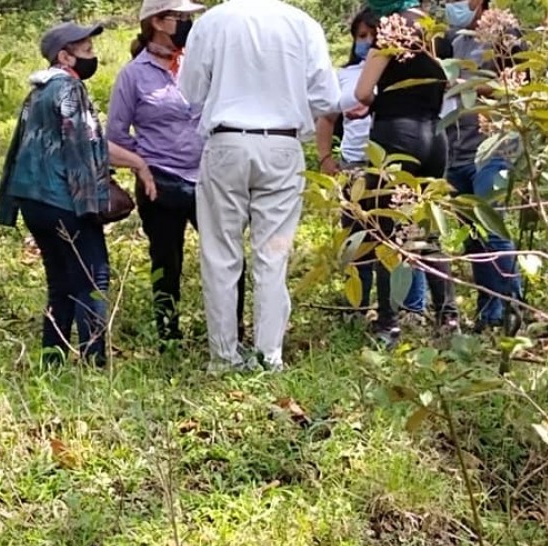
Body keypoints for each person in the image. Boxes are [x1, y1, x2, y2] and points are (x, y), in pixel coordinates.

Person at [179, 0, 340, 372]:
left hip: (226, 144)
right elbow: (327, 98)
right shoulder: (303, 23)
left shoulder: (212, 22)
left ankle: (224, 357)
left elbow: (190, 92)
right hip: (282, 147)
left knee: (220, 254)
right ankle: (269, 356)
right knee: (273, 255)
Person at [0, 22, 152, 368]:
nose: (93, 56)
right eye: (86, 51)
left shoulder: (38, 90)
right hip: (64, 199)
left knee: (60, 282)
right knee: (92, 278)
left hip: (33, 201)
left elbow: (20, 147)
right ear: (64, 57)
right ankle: (95, 364)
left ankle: (52, 362)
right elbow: (85, 145)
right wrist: (94, 202)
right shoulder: (69, 90)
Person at [107, 0, 247, 350]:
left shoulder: (200, 65)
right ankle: (168, 336)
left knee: (229, 256)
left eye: (189, 17)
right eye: (180, 18)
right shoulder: (133, 75)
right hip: (162, 181)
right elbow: (116, 135)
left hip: (210, 178)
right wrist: (142, 165)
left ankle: (233, 334)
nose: (188, 24)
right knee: (167, 262)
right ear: (157, 22)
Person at [350, 0, 460, 348]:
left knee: (386, 230)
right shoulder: (437, 32)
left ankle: (388, 323)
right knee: (428, 230)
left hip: (396, 134)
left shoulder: (390, 32)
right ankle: (449, 316)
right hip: (434, 135)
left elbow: (362, 92)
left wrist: (378, 99)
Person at [316, 7, 427, 318]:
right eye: (359, 37)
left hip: (392, 162)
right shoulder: (345, 75)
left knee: (402, 234)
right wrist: (326, 157)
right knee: (357, 238)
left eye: (370, 35)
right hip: (354, 163)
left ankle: (410, 306)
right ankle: (358, 305)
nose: (364, 42)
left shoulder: (402, 69)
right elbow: (326, 118)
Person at [442, 0, 522, 332]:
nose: (452, 5)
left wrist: (465, 84)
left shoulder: (505, 32)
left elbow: (517, 84)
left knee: (493, 230)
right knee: (473, 238)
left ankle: (513, 308)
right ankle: (488, 314)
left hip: (493, 149)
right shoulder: (455, 39)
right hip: (456, 150)